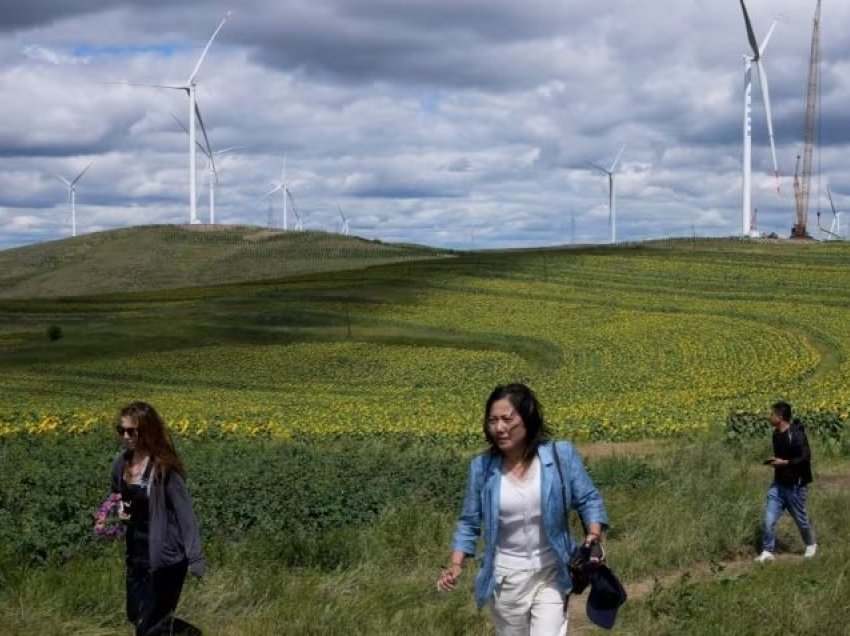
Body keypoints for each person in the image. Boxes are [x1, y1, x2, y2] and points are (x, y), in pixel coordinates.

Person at [437, 384, 608, 635]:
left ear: (528, 419)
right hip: (506, 579)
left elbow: (588, 499)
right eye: (493, 420)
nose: (499, 428)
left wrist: (593, 537)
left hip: (552, 572)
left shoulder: (560, 456)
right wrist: (455, 563)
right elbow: (469, 521)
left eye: (507, 419)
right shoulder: (482, 468)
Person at [111, 401, 205, 635]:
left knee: (150, 626)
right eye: (121, 430)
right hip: (136, 554)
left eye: (131, 431)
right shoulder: (120, 463)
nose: (125, 436)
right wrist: (120, 512)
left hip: (166, 558)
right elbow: (117, 497)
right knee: (136, 614)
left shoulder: (164, 468)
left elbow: (186, 516)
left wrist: (196, 559)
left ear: (147, 430)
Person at [755, 401, 816, 563]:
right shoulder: (776, 434)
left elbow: (805, 458)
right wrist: (775, 462)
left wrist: (785, 463)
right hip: (778, 486)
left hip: (795, 487)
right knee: (768, 519)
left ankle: (811, 544)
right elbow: (781, 457)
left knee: (801, 520)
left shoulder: (796, 434)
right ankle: (768, 551)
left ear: (780, 417)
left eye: (772, 414)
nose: (769, 416)